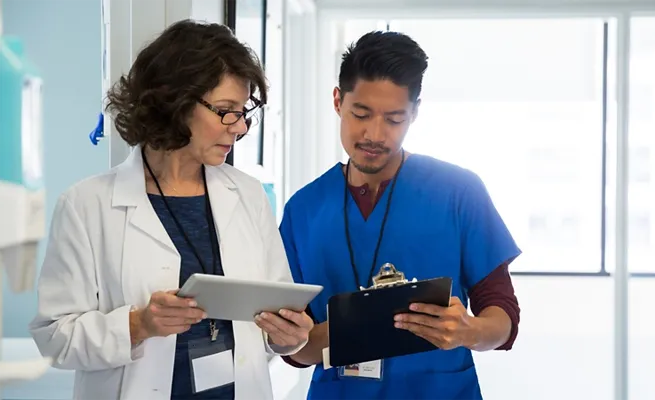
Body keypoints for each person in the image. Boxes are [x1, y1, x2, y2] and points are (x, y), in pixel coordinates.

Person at [29, 20, 313, 400]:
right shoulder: (87, 205)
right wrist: (138, 324)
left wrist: (287, 337)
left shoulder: (247, 195)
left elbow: (268, 322)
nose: (240, 126)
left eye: (244, 111)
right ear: (176, 102)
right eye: (226, 110)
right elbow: (54, 336)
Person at [279, 31, 522, 399]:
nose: (374, 134)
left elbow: (503, 314)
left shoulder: (459, 191)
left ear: (415, 113)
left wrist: (467, 330)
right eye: (360, 114)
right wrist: (326, 334)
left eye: (394, 119)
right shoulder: (303, 209)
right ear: (337, 101)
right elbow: (293, 347)